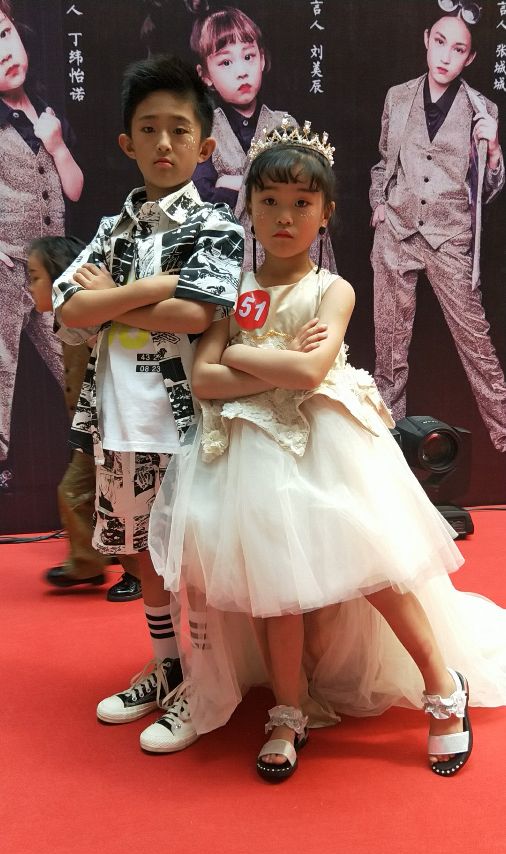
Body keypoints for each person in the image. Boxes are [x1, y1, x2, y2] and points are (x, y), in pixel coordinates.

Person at [149, 120, 506, 781]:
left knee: (376, 569)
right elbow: (203, 380)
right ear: (249, 207)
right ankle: (289, 709)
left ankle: (443, 685)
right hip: (250, 454)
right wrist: (273, 362)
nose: (284, 217)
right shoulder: (234, 291)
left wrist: (245, 359)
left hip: (325, 443)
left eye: (301, 203)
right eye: (269, 201)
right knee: (273, 589)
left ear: (326, 211)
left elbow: (311, 374)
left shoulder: (332, 289)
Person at [52, 55, 244, 747]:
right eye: (149, 129)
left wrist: (111, 298)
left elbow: (197, 314)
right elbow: (67, 306)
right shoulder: (112, 227)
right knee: (145, 555)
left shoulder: (217, 226)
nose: (164, 143)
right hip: (121, 420)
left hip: (190, 423)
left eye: (179, 129)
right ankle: (167, 666)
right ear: (127, 143)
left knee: (195, 558)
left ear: (205, 144)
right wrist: (154, 287)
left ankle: (207, 681)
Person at [370, 3, 506, 452]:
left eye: (459, 49)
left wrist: (493, 150)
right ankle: (387, 443)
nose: (446, 55)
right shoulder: (398, 96)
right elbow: (383, 162)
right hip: (397, 231)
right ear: (427, 39)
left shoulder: (482, 109)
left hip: (449, 237)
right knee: (390, 347)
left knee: (477, 346)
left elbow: (487, 193)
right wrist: (378, 205)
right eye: (441, 42)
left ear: (470, 58)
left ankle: (505, 434)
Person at [27, 236, 142, 601]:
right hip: (92, 427)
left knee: (103, 494)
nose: (29, 287)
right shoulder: (67, 320)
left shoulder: (87, 320)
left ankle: (127, 570)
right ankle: (93, 562)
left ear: (60, 276)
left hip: (110, 425)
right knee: (98, 494)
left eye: (34, 277)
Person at [0, 0, 83, 482]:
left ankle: (102, 455)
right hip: (7, 269)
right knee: (1, 367)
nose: (4, 52)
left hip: (50, 270)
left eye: (4, 34)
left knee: (74, 358)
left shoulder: (48, 112)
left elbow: (74, 190)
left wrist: (56, 145)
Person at [189, 3, 336, 273]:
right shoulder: (204, 132)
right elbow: (202, 202)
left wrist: (234, 182)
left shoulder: (285, 125)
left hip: (284, 257)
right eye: (226, 62)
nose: (241, 71)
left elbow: (302, 195)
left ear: (263, 59)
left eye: (249, 56)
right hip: (231, 266)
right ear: (205, 76)